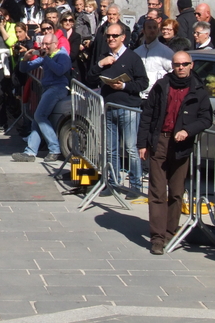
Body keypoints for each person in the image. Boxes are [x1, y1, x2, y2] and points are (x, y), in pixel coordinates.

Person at [138, 51, 213, 255]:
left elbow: (207, 119)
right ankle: (157, 238)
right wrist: (142, 143)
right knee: (157, 191)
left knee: (177, 192)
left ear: (191, 65)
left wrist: (188, 131)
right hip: (159, 141)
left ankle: (171, 232)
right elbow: (148, 115)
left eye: (184, 64)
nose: (180, 67)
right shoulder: (162, 86)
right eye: (176, 64)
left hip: (181, 146)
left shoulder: (198, 90)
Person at [87, 23, 149, 197]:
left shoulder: (132, 58)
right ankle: (113, 182)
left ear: (123, 37)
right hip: (109, 107)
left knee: (130, 148)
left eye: (114, 36)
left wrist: (124, 86)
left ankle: (135, 186)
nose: (111, 39)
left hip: (128, 107)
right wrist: (100, 64)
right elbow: (90, 78)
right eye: (108, 36)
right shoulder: (104, 56)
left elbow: (143, 83)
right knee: (111, 149)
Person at [12, 33, 70, 163]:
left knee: (40, 116)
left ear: (55, 45)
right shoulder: (46, 56)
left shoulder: (62, 55)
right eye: (43, 44)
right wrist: (25, 59)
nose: (44, 47)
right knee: (36, 120)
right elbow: (24, 69)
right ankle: (30, 152)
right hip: (47, 89)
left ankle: (55, 148)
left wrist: (46, 58)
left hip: (58, 88)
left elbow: (60, 70)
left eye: (47, 44)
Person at [133, 19, 174, 100]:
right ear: (143, 31)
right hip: (139, 96)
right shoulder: (136, 52)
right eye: (149, 28)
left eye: (155, 28)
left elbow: (172, 72)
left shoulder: (166, 52)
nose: (152, 30)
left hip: (157, 96)